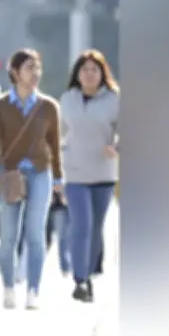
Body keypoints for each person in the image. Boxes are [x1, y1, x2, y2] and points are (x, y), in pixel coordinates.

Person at [0, 48, 63, 311]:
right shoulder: (1, 107)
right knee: (8, 237)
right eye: (29, 68)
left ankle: (34, 290)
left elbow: (54, 145)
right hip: (10, 174)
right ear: (15, 72)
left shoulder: (48, 107)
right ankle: (8, 287)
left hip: (40, 172)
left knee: (36, 233)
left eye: (38, 67)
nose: (35, 73)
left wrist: (59, 178)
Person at [59, 49, 119, 303]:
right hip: (74, 172)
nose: (89, 74)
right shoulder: (67, 99)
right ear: (78, 74)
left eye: (94, 69)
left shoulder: (115, 99)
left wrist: (116, 147)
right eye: (85, 70)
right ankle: (80, 279)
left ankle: (90, 275)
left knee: (95, 229)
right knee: (81, 226)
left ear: (102, 74)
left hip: (104, 174)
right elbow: (58, 133)